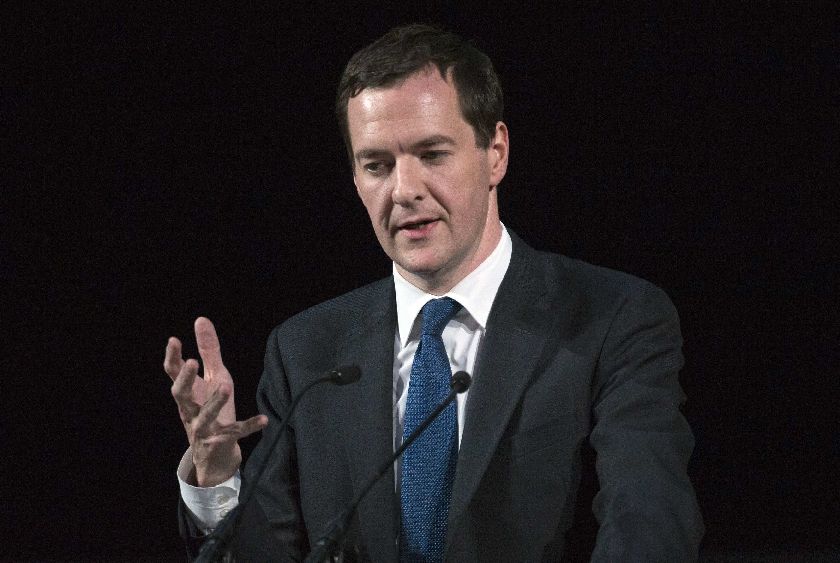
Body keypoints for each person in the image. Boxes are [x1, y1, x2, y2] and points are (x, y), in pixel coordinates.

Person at [165, 24, 704, 562]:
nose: (404, 190)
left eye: (432, 154)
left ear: (495, 152)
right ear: (355, 178)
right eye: (377, 165)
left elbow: (647, 521)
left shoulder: (612, 319)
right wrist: (217, 479)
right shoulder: (307, 352)